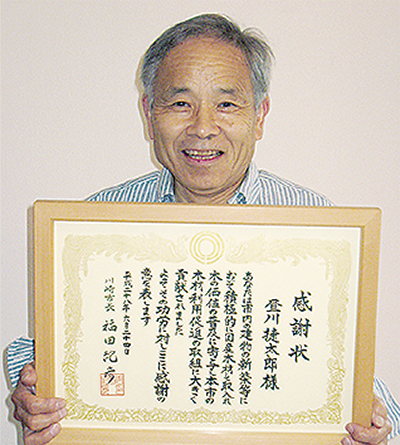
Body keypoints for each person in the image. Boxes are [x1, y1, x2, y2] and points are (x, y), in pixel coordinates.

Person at [8, 13, 398, 445]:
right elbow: (52, 347)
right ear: (149, 114)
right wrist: (34, 391)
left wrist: (374, 423)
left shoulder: (320, 228)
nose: (202, 127)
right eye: (180, 104)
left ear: (260, 115)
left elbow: (353, 375)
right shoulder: (96, 223)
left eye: (226, 104)